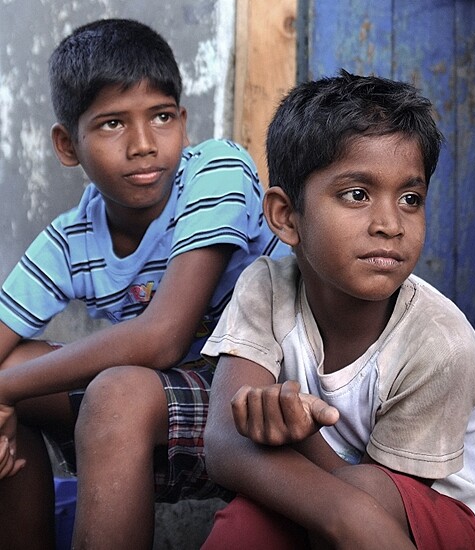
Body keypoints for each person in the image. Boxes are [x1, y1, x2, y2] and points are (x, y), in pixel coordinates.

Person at [200, 70, 475, 549]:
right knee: (250, 520)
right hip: (346, 504)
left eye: (411, 199)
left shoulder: (442, 343)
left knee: (307, 496)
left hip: (458, 528)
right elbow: (225, 443)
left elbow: (372, 505)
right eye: (357, 194)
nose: (390, 224)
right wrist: (289, 440)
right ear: (285, 216)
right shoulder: (265, 287)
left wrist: (294, 438)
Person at [0, 18, 289, 549]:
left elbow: (163, 338)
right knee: (15, 369)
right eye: (112, 124)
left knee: (108, 393)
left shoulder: (216, 171)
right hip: (169, 411)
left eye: (160, 117)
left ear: (182, 121)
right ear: (68, 144)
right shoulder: (70, 241)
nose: (142, 145)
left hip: (274, 399)